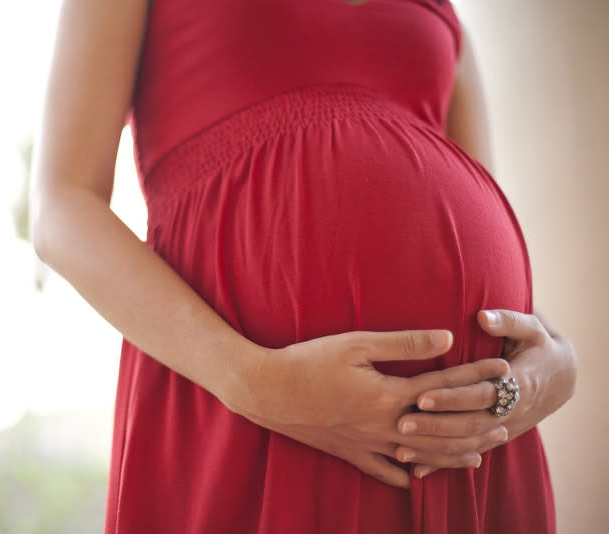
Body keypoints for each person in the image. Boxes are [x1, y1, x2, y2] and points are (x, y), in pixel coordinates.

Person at [29, 0, 577, 532]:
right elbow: (63, 204)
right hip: (250, 415)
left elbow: (475, 211)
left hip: (468, 446)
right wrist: (256, 383)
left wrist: (551, 362)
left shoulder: (441, 10)